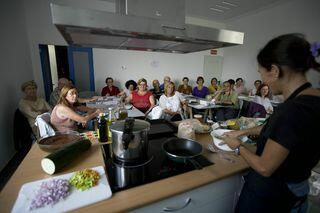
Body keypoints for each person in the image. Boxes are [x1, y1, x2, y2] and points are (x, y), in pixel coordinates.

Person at [222, 34, 320, 212]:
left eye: (261, 73)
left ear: (274, 71)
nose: (263, 81)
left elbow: (265, 167)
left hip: (272, 196)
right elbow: (283, 133)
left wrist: (238, 147)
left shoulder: (291, 110)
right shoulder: (313, 98)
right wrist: (242, 133)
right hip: (298, 191)